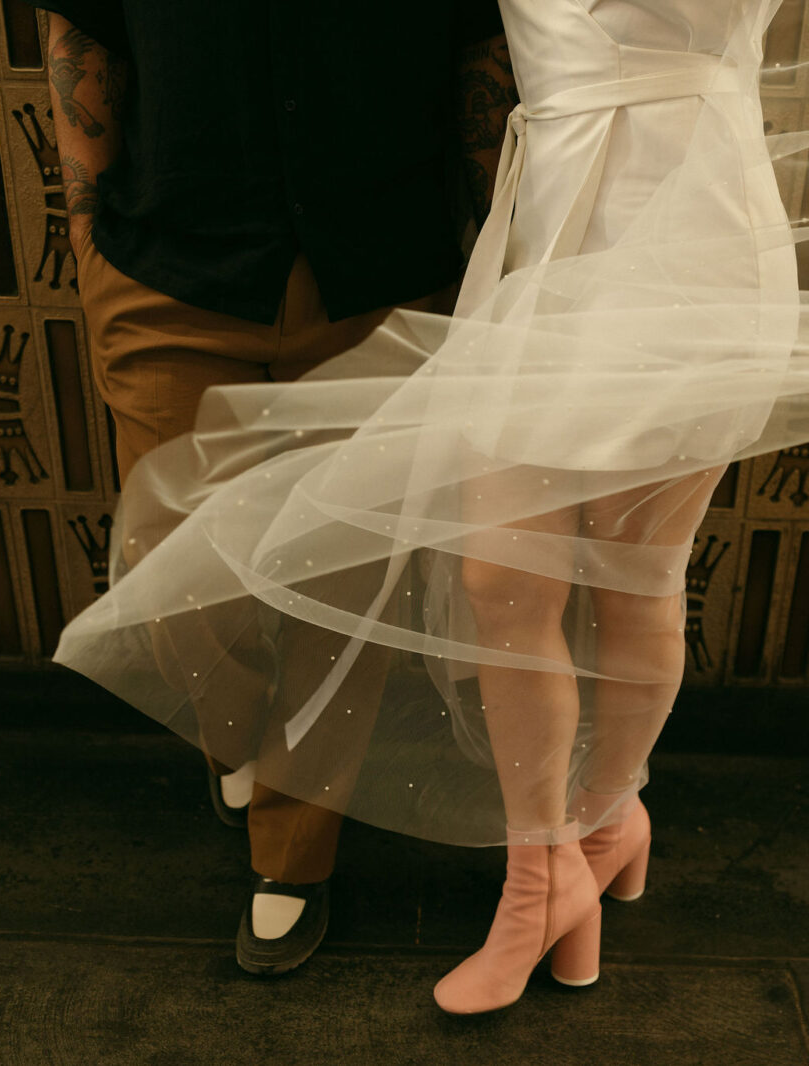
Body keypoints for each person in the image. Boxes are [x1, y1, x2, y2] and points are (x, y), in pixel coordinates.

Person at [52, 0, 809, 1015]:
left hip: (687, 241)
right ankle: (593, 840)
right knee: (499, 580)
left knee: (629, 580)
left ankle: (566, 859)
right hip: (543, 230)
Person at [30, 0, 516, 975]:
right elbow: (80, 34)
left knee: (343, 589)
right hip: (166, 264)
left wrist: (478, 269)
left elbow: (480, 54)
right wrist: (88, 238)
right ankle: (235, 739)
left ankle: (294, 858)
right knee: (174, 577)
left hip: (381, 265)